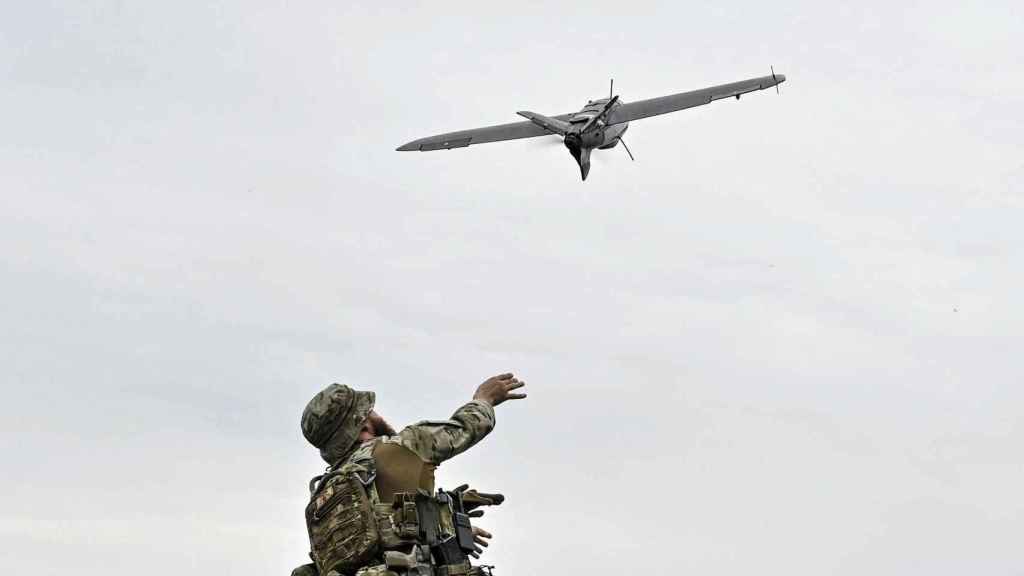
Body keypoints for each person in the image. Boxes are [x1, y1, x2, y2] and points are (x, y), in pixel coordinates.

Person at [292, 373, 527, 576]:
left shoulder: (325, 494)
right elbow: (468, 426)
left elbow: (375, 542)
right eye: (370, 410)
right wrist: (484, 398)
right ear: (363, 424)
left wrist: (445, 518)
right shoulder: (404, 446)